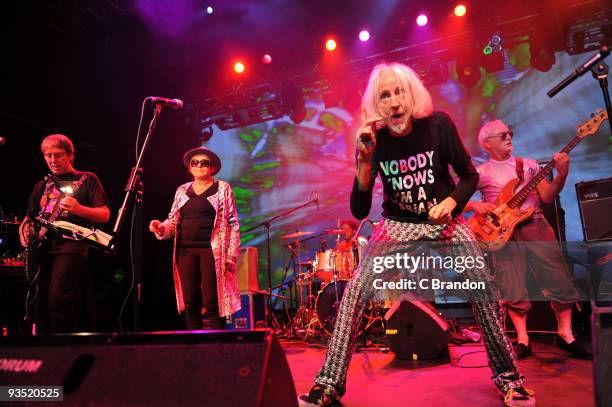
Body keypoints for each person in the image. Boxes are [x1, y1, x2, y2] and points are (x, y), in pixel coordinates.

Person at [299, 63, 535, 407]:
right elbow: (361, 209)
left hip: (445, 221)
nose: (394, 102)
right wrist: (363, 161)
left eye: (399, 93)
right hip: (397, 224)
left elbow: (469, 176)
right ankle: (328, 385)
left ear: (411, 95)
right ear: (376, 104)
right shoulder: (374, 141)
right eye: (385, 95)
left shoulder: (437, 125)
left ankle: (510, 380)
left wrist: (452, 202)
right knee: (355, 293)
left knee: (482, 287)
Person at [464, 120, 590, 360]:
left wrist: (562, 173)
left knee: (558, 276)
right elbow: (458, 199)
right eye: (502, 135)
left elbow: (548, 195)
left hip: (536, 224)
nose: (509, 137)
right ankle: (523, 340)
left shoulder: (529, 165)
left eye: (510, 133)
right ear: (486, 143)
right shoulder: (481, 173)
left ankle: (566, 335)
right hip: (501, 233)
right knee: (510, 283)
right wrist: (475, 205)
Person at [19, 134, 110, 333]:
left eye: (58, 155)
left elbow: (104, 214)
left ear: (70, 155)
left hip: (71, 245)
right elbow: (28, 218)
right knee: (38, 300)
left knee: (60, 299)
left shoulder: (87, 180)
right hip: (42, 246)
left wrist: (79, 209)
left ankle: (63, 349)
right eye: (48, 155)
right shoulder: (42, 185)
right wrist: (23, 232)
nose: (53, 160)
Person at [149, 147, 241, 330]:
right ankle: (195, 347)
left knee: (213, 302)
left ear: (212, 167)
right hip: (185, 251)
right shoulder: (182, 190)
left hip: (211, 251)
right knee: (190, 302)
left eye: (204, 162)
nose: (199, 166)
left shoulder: (222, 188)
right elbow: (173, 222)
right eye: (195, 162)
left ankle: (218, 348)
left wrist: (231, 255)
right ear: (190, 168)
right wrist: (161, 227)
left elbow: (233, 224)